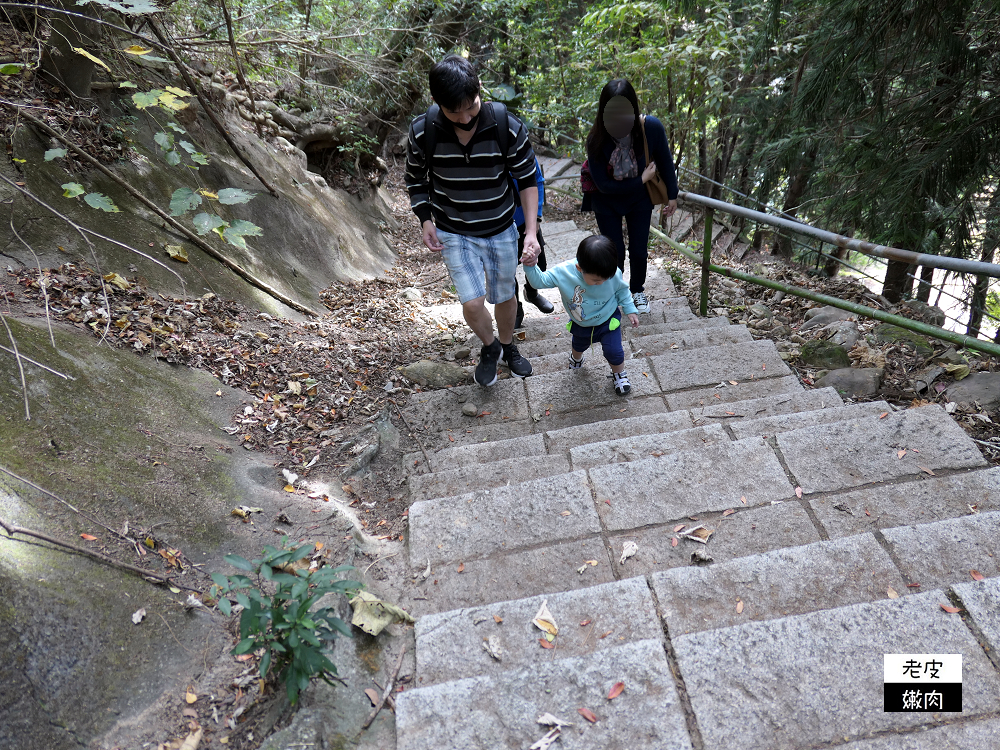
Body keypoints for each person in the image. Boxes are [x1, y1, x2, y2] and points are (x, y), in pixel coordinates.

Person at [405, 55, 540, 386]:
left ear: (480, 89)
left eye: (471, 107)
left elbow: (527, 180)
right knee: (472, 301)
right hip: (454, 231)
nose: (465, 118)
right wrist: (425, 219)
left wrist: (532, 233)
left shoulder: (506, 124)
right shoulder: (423, 131)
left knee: (505, 295)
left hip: (500, 229)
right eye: (454, 112)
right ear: (437, 101)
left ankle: (508, 348)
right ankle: (490, 347)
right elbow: (415, 180)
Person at [583, 79, 678, 314]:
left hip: (639, 199)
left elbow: (665, 162)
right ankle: (616, 293)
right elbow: (604, 186)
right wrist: (642, 179)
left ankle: (637, 291)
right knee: (614, 252)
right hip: (606, 201)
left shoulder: (650, 128)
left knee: (638, 249)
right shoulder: (596, 138)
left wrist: (672, 195)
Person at [522, 234, 639, 395]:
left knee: (615, 351)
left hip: (608, 320)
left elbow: (622, 291)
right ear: (579, 268)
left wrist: (630, 309)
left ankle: (619, 374)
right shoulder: (564, 272)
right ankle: (576, 358)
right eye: (596, 281)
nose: (602, 283)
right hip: (581, 323)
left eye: (606, 279)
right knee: (578, 346)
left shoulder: (613, 273)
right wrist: (530, 265)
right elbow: (539, 281)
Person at [514, 155, 555, 328]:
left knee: (539, 264)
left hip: (527, 221)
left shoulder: (522, 150)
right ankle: (515, 310)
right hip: (499, 226)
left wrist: (536, 218)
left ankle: (531, 292)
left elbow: (537, 181)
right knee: (506, 273)